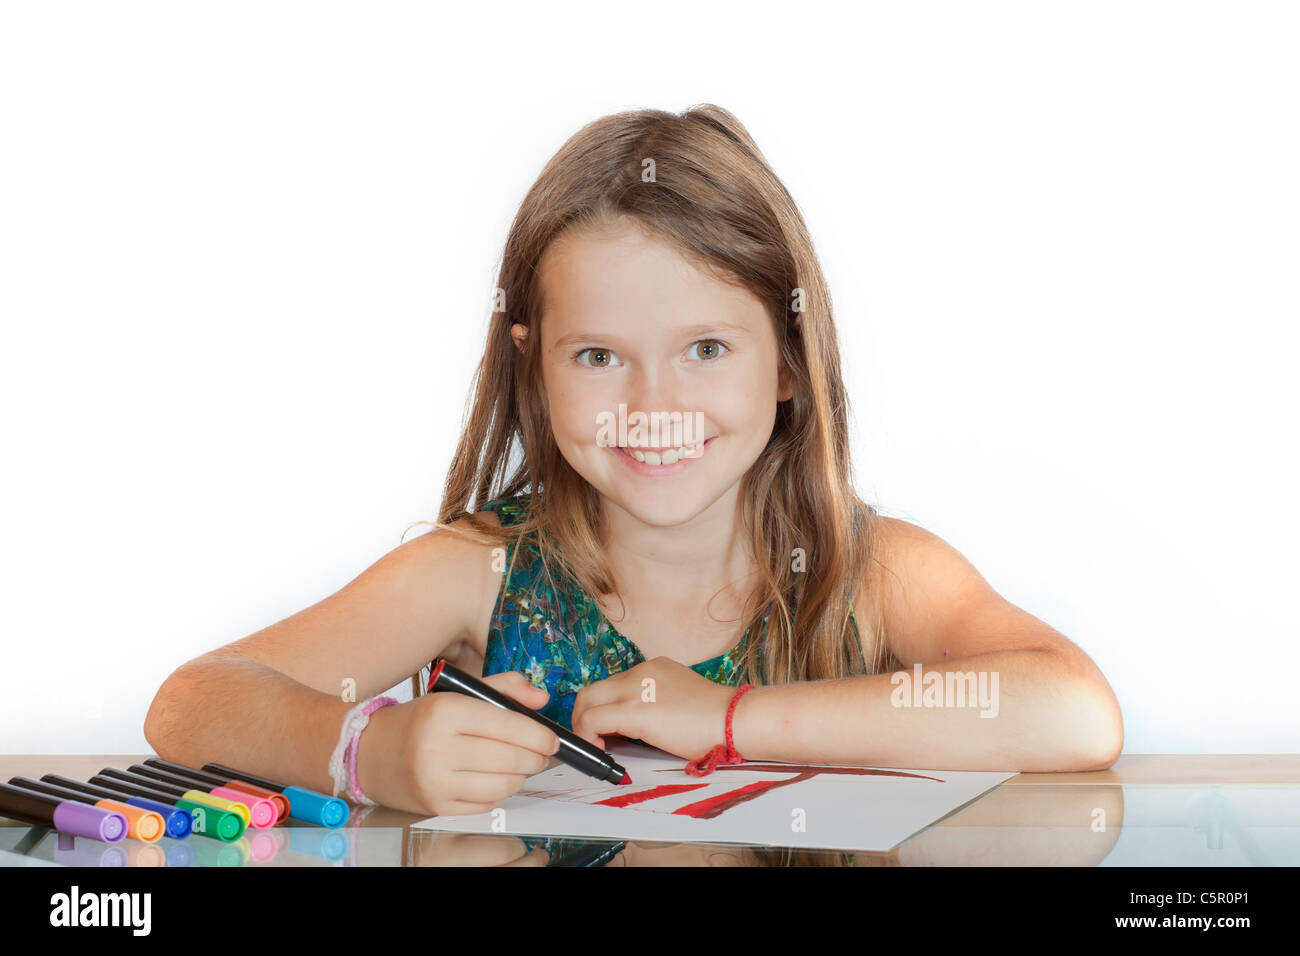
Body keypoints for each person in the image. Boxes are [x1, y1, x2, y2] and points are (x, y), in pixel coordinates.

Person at [144, 104, 1123, 831]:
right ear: (534, 363)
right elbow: (191, 699)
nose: (654, 408)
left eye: (705, 348)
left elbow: (1073, 710)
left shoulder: (868, 569)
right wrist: (366, 749)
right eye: (600, 356)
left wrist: (731, 717)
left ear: (788, 361)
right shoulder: (476, 571)